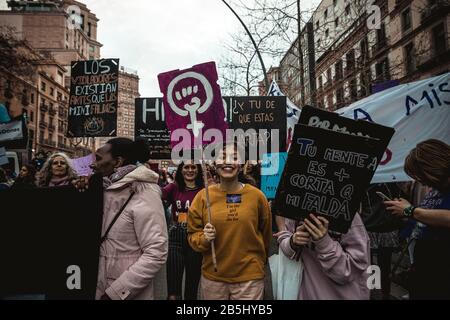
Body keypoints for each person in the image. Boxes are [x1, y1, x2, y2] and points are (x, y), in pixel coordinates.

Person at [188, 143, 272, 300]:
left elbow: (266, 234)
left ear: (241, 165)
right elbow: (193, 234)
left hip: (250, 279)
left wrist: (260, 263)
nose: (228, 162)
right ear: (214, 163)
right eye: (222, 157)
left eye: (234, 157)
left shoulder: (257, 196)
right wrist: (204, 239)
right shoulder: (202, 196)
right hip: (214, 277)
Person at [90, 138, 168, 300]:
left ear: (117, 162)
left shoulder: (145, 192)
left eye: (98, 158)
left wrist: (117, 293)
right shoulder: (101, 187)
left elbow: (156, 251)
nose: (93, 164)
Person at [384, 139, 450, 299]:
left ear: (431, 167)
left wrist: (410, 210)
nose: (419, 180)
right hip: (426, 269)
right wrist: (407, 215)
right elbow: (430, 219)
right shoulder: (437, 189)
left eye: (419, 175)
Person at [277, 212, 371, 300]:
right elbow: (285, 239)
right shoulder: (296, 208)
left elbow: (351, 270)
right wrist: (292, 242)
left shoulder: (348, 215)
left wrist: (324, 243)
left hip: (342, 294)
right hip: (306, 292)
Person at [162, 161, 204, 300]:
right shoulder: (173, 187)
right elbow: (157, 196)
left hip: (196, 238)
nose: (190, 170)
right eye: (186, 167)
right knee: (173, 292)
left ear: (198, 170)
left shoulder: (204, 190)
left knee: (192, 289)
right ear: (181, 170)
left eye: (194, 167)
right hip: (175, 237)